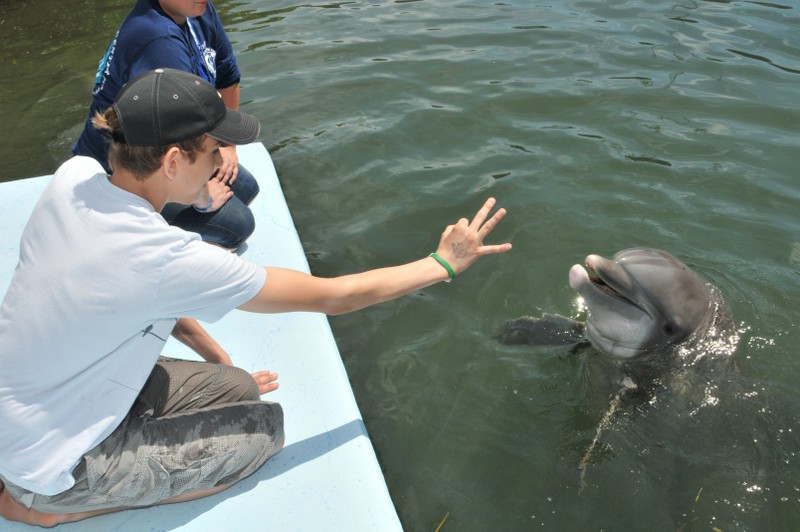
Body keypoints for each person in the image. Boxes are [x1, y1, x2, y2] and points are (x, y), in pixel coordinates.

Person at [0, 68, 512, 526]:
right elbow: (332, 297)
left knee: (239, 385)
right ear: (174, 160)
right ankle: (50, 507)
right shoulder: (165, 256)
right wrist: (440, 264)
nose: (222, 161)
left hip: (30, 405)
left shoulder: (77, 178)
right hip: (52, 461)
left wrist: (215, 358)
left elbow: (146, 294)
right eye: (213, 150)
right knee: (266, 431)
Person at [73, 0, 258, 250]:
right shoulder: (159, 41)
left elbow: (227, 75)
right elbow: (176, 137)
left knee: (245, 187)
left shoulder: (198, 9)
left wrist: (227, 145)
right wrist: (203, 198)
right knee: (237, 225)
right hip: (123, 170)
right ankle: (140, 233)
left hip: (165, 145)